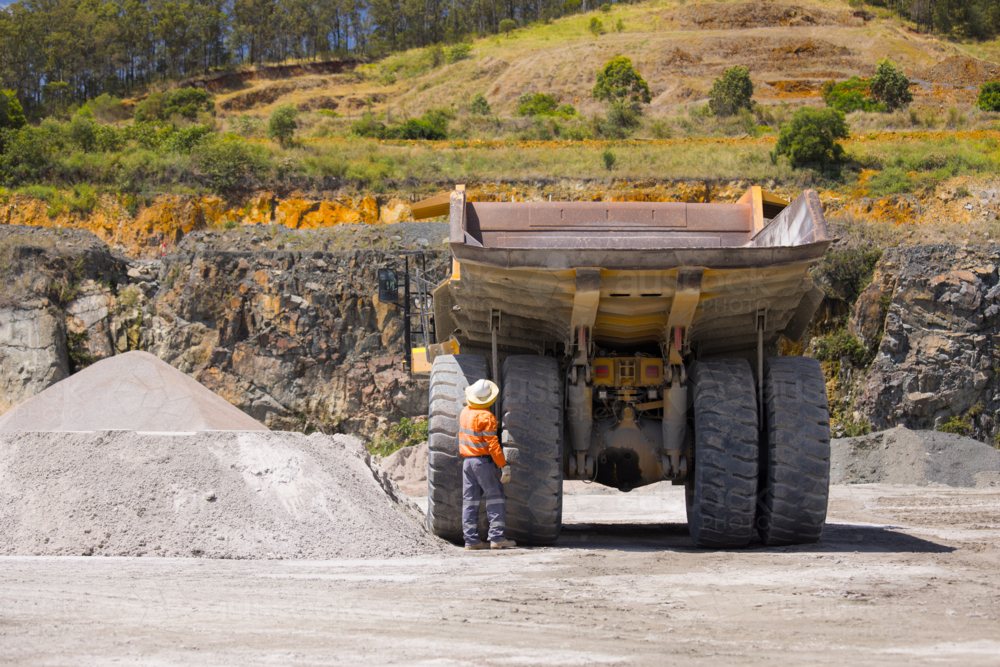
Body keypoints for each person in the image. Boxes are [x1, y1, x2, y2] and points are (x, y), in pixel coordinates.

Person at [459, 378, 515, 550]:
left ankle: (471, 541)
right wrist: (503, 465)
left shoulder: (465, 413)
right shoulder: (487, 417)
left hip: (467, 463)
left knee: (470, 500)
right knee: (495, 496)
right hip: (482, 463)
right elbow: (493, 445)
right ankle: (497, 538)